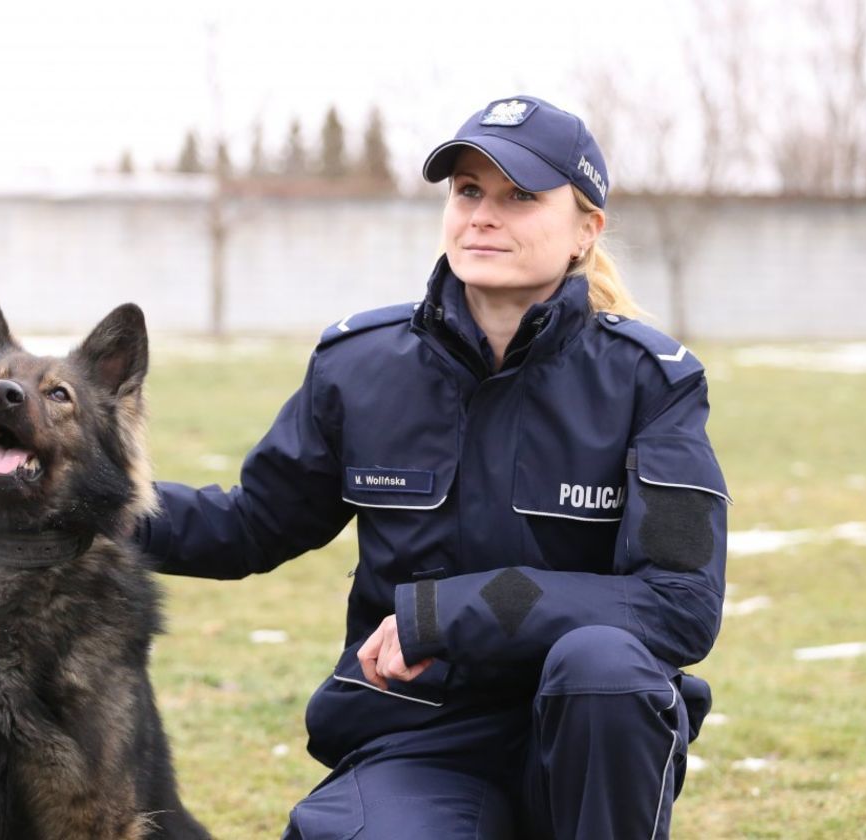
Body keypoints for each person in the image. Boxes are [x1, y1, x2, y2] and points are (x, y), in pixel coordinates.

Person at [137, 95, 731, 839]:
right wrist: (84, 505)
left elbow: (678, 603)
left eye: (520, 196)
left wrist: (449, 613)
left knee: (604, 664)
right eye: (469, 191)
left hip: (586, 738)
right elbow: (253, 525)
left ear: (587, 230)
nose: (484, 215)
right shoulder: (360, 368)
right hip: (415, 735)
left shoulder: (653, 384)